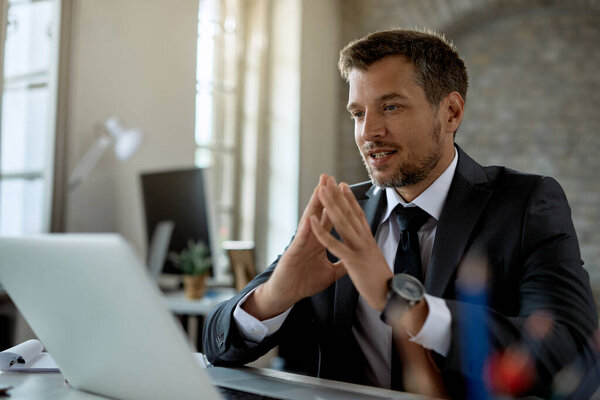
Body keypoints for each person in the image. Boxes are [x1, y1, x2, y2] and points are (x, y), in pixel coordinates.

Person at [203, 29, 598, 398]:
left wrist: (407, 305)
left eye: (390, 106)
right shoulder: (341, 212)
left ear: (451, 112)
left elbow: (571, 351)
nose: (368, 131)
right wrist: (275, 295)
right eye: (358, 113)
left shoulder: (526, 204)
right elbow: (216, 344)